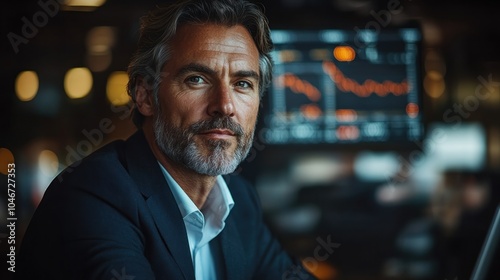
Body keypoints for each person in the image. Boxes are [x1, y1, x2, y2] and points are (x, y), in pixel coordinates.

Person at [16, 0, 316, 279]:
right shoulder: (93, 196)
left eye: (242, 83)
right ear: (145, 95)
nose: (225, 105)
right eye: (196, 79)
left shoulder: (239, 199)